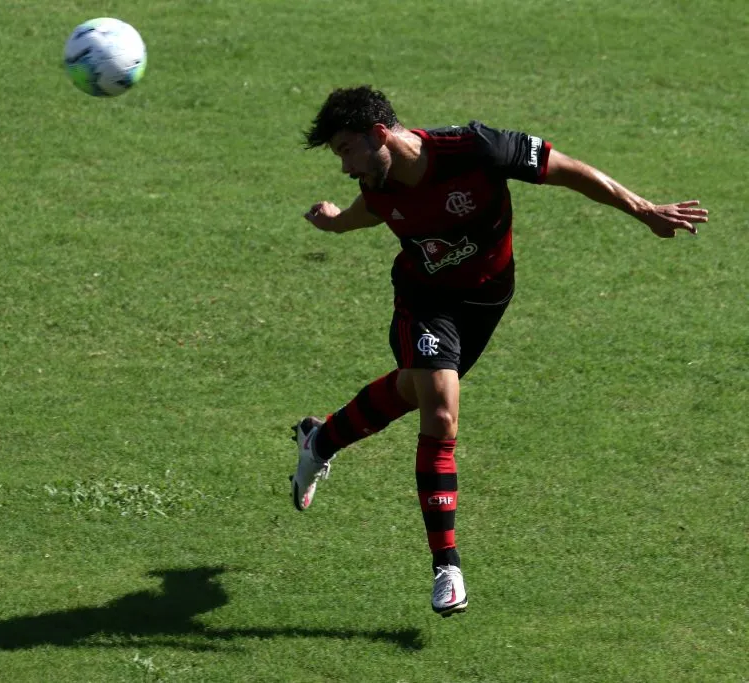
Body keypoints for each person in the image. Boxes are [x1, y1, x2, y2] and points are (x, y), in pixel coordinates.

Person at [289, 85, 708, 617]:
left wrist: (644, 209)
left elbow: (569, 169)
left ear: (379, 135)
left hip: (488, 299)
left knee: (414, 390)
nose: (345, 167)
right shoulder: (378, 186)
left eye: (346, 149)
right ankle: (447, 567)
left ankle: (320, 438)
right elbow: (362, 214)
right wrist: (332, 221)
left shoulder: (475, 148)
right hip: (425, 300)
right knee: (440, 410)